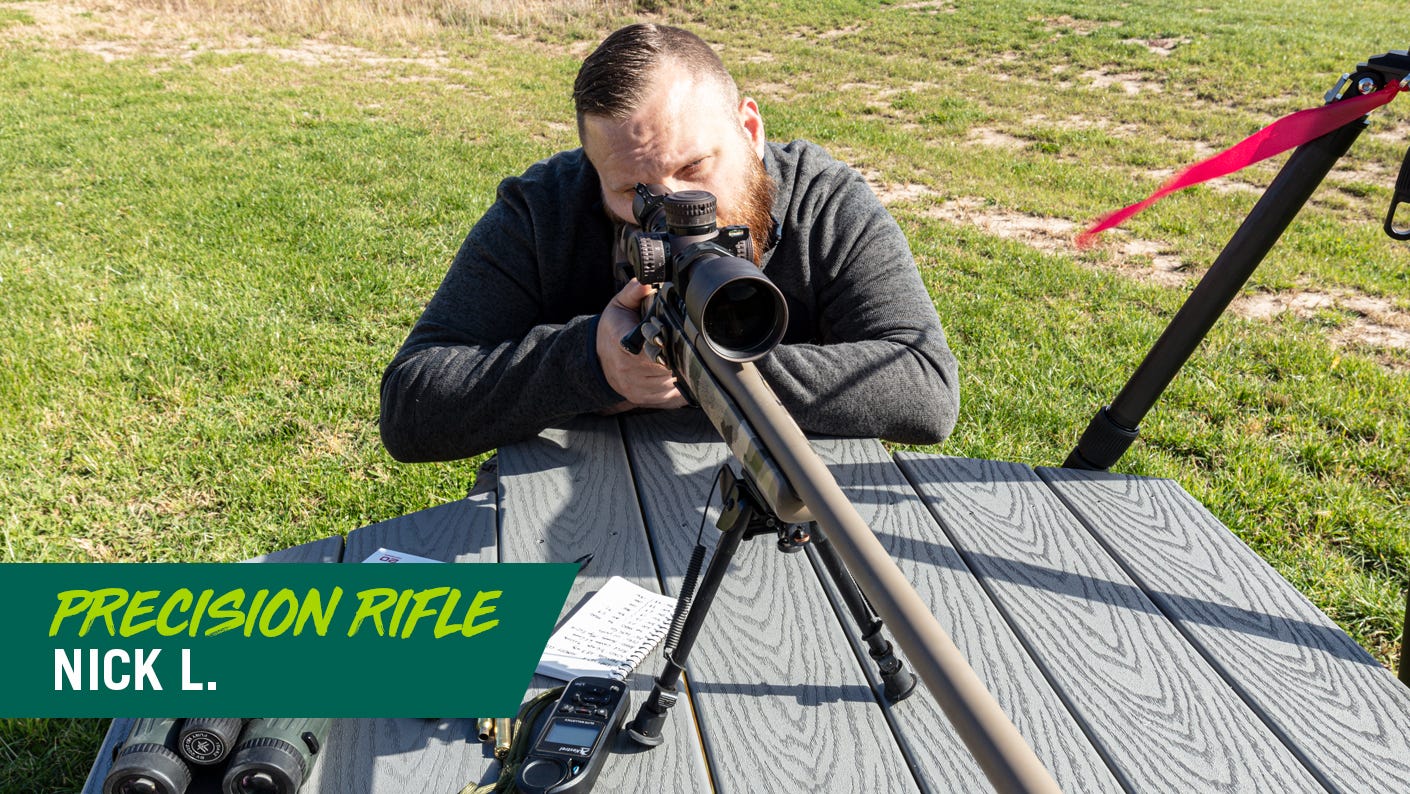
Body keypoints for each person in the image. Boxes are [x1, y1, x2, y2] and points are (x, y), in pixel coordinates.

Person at [380, 23, 958, 463]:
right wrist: (590, 360)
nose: (676, 205)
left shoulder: (822, 200)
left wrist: (712, 368)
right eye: (634, 189)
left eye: (695, 165)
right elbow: (410, 404)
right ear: (594, 171)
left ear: (750, 131)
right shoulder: (544, 210)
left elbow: (926, 386)